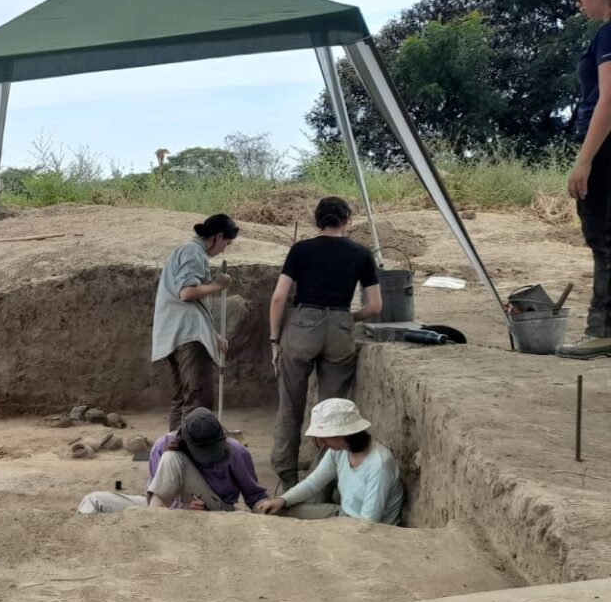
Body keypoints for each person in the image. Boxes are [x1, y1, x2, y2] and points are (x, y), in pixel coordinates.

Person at [268, 196, 381, 489]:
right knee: (333, 413)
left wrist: (274, 339)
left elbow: (279, 297)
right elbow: (375, 307)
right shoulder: (361, 253)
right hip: (340, 328)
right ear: (347, 220)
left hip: (302, 325)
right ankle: (321, 484)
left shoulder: (301, 250)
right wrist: (344, 319)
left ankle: (287, 477)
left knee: (290, 407)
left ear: (317, 220)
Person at [560, 0, 611, 359]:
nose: (579, 1)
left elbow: (608, 100)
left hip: (606, 150)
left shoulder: (609, 35)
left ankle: (602, 330)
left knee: (603, 237)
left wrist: (585, 159)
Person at [78, 407, 268, 514]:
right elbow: (155, 496)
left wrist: (271, 506)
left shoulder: (236, 451)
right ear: (184, 440)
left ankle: (151, 524)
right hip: (166, 510)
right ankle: (82, 547)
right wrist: (182, 507)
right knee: (94, 500)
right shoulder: (163, 445)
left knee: (172, 457)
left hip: (214, 509)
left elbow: (255, 497)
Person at [255, 398, 403, 524]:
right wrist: (282, 500)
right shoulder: (338, 451)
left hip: (368, 530)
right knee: (273, 510)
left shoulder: (379, 465)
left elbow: (369, 521)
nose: (323, 441)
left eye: (325, 436)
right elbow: (313, 483)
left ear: (345, 434)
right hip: (343, 516)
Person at [152, 213, 236, 432]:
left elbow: (196, 305)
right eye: (226, 243)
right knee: (198, 398)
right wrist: (218, 285)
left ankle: (173, 450)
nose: (224, 249)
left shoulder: (188, 252)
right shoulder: (193, 252)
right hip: (187, 335)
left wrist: (213, 335)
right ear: (218, 236)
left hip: (176, 333)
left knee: (183, 397)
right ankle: (191, 452)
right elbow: (187, 293)